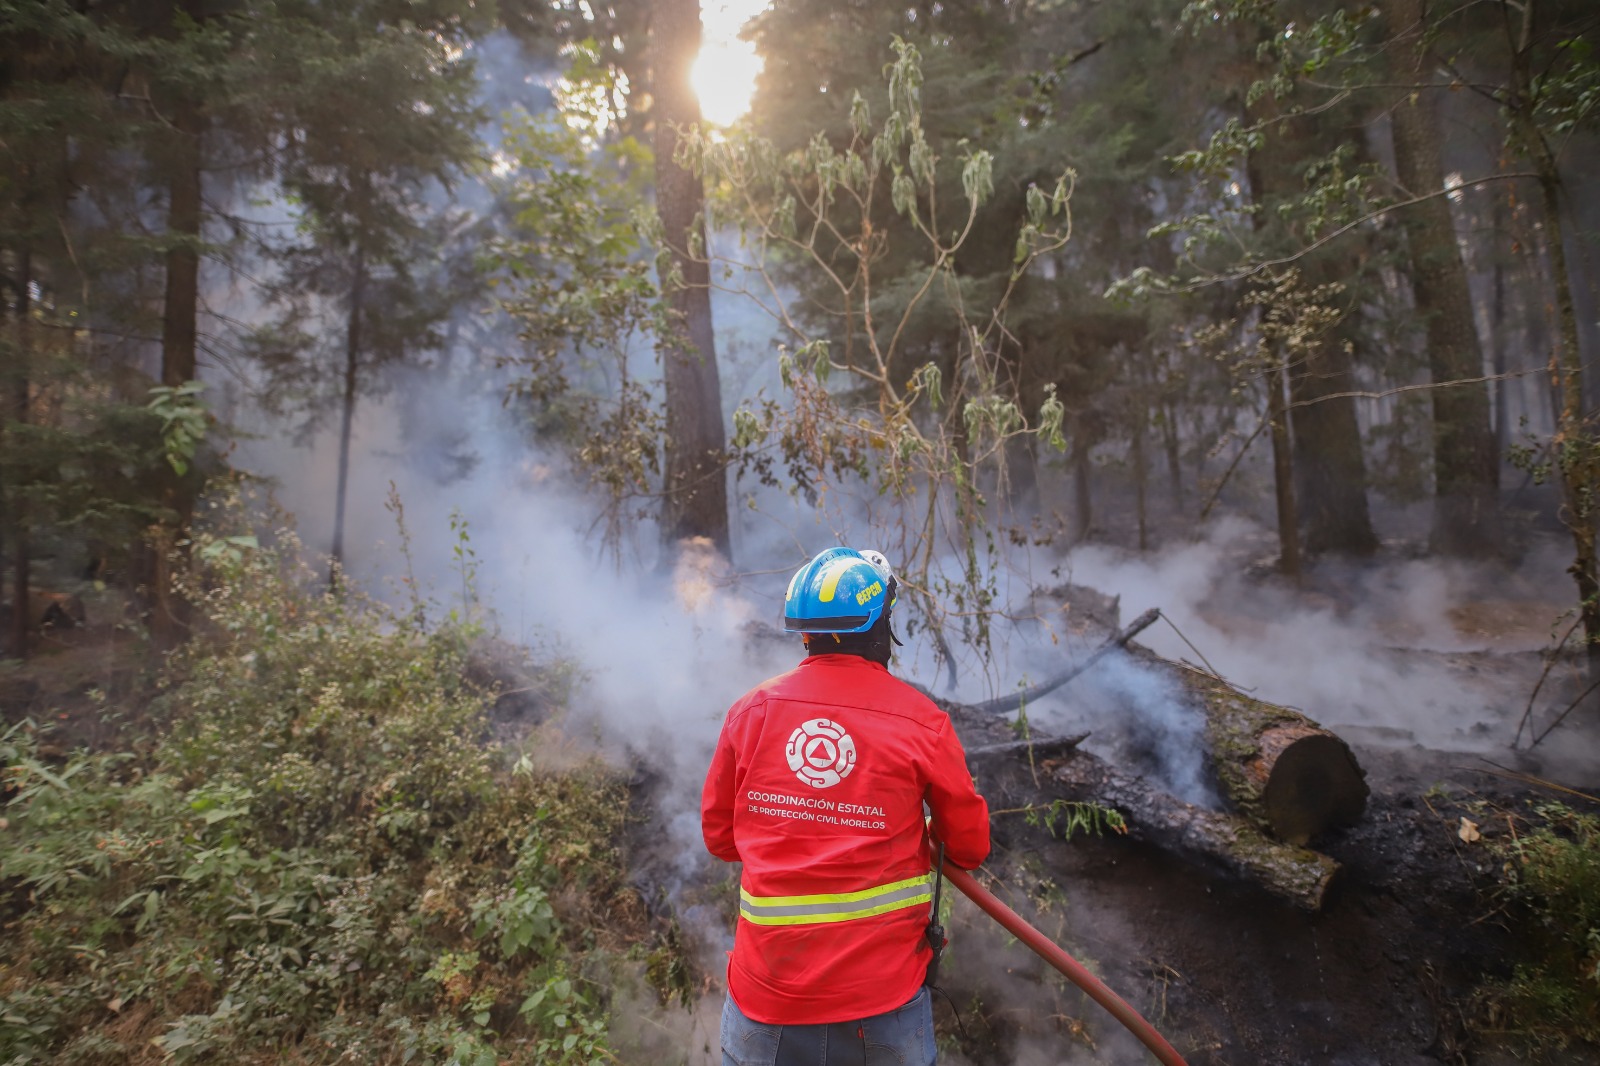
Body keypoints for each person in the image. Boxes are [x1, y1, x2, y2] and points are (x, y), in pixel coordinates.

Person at [701, 547, 991, 1066]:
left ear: (805, 634)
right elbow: (968, 848)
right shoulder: (922, 723)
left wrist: (797, 821)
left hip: (766, 1000)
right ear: (880, 627)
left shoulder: (751, 712)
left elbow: (721, 839)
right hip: (881, 1004)